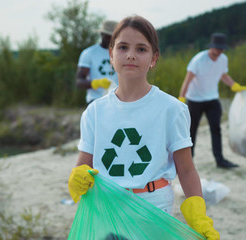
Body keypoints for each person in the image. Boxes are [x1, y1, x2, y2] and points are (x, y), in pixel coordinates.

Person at [68, 15, 220, 239]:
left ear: (154, 58)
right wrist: (76, 176)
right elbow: (84, 164)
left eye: (141, 49)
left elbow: (186, 170)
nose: (130, 54)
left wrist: (197, 216)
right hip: (108, 208)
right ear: (111, 54)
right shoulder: (94, 112)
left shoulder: (171, 109)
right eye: (122, 47)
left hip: (154, 208)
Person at [178, 33, 246, 169]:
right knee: (191, 131)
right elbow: (188, 79)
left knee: (216, 129)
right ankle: (189, 161)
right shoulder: (198, 59)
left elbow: (223, 75)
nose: (219, 51)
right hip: (195, 99)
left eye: (222, 49)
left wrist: (234, 85)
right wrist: (182, 98)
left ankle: (220, 160)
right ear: (212, 47)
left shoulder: (223, 59)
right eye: (217, 48)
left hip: (212, 99)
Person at [76, 20, 118, 104]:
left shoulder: (121, 53)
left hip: (117, 100)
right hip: (95, 100)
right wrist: (97, 83)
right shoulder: (89, 53)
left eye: (114, 37)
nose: (111, 39)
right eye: (108, 36)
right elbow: (79, 82)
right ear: (102, 34)